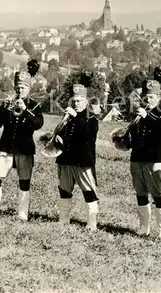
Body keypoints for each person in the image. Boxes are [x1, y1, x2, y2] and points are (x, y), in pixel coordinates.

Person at [0, 59, 44, 221]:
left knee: (24, 181)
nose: (20, 90)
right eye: (18, 87)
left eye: (24, 87)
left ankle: (22, 212)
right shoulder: (8, 103)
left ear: (29, 88)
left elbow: (38, 124)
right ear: (15, 87)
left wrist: (25, 110)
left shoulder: (34, 106)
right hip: (6, 147)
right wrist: (3, 108)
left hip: (25, 148)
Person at [123, 79, 161, 240]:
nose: (147, 100)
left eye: (151, 97)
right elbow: (135, 136)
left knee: (159, 196)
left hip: (155, 160)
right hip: (137, 159)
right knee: (141, 194)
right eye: (145, 96)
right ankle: (144, 228)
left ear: (158, 97)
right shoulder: (139, 114)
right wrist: (126, 139)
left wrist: (147, 118)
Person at [52, 80, 99, 230]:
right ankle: (63, 220)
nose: (76, 104)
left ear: (86, 101)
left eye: (79, 101)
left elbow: (85, 134)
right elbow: (60, 133)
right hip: (65, 159)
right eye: (74, 101)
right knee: (64, 189)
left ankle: (92, 224)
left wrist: (76, 117)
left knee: (89, 191)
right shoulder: (68, 117)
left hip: (83, 161)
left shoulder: (91, 118)